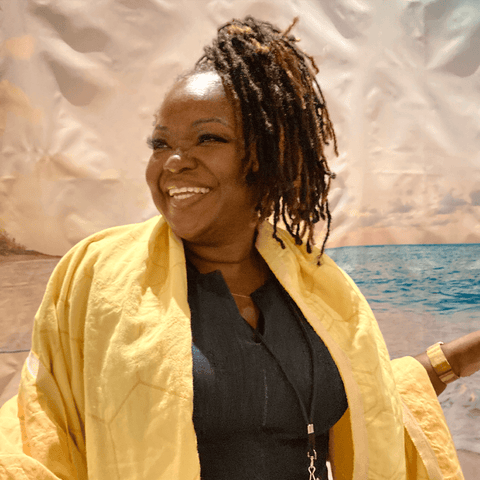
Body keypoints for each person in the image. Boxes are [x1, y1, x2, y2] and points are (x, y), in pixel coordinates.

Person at [0, 15, 479, 480]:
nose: (174, 162)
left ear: (268, 156)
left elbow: (371, 396)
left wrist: (455, 358)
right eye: (160, 143)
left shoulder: (322, 290)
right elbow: (40, 428)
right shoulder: (97, 276)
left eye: (208, 138)